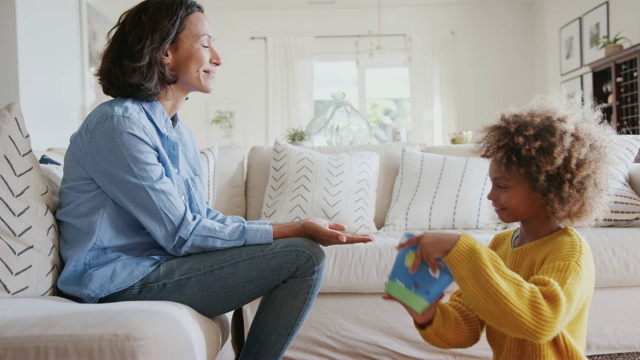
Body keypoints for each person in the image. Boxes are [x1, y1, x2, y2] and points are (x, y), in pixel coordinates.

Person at [55, 1, 373, 359]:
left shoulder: (181, 136)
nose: (217, 58)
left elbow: (203, 221)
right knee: (303, 256)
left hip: (156, 267)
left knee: (300, 254)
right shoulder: (120, 125)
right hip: (115, 282)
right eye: (206, 44)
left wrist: (280, 229)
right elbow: (182, 234)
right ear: (165, 53)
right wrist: (294, 229)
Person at [384, 96, 613, 359]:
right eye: (492, 184)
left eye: (502, 186)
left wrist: (461, 247)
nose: (491, 196)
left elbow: (540, 320)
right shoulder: (500, 245)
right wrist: (427, 314)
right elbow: (465, 328)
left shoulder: (570, 251)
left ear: (544, 188)